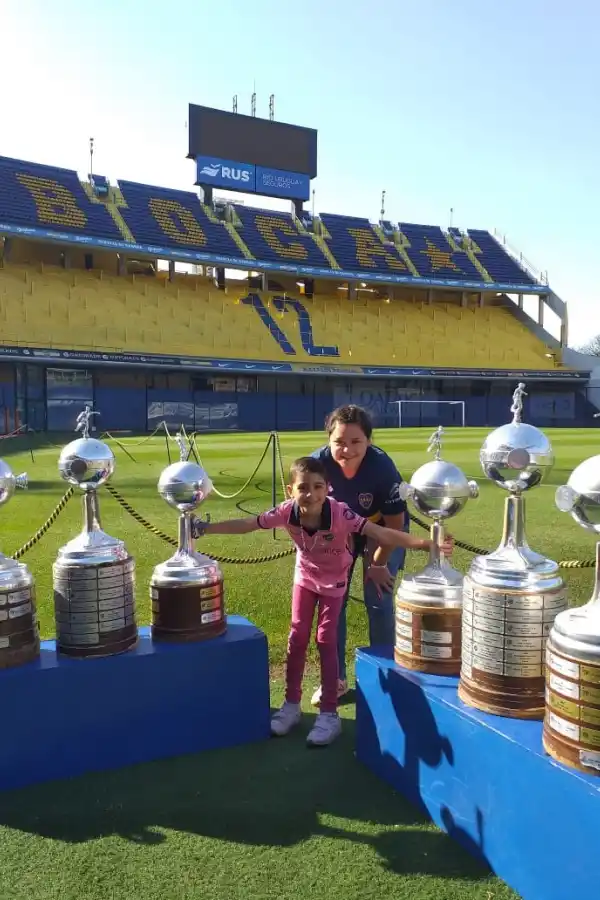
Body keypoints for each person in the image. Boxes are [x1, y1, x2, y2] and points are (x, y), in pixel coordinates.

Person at [191, 456, 452, 747]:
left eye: (318, 487)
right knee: (297, 637)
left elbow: (380, 533)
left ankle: (329, 714)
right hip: (305, 578)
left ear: (328, 488)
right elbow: (248, 524)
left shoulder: (341, 513)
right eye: (303, 487)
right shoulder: (286, 511)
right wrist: (206, 528)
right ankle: (291, 705)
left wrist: (427, 544)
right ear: (290, 490)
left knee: (326, 639)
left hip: (334, 582)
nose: (311, 494)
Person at [310, 404, 410, 707]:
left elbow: (394, 524)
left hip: (382, 529)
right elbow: (304, 514)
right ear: (328, 440)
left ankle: (386, 676)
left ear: (368, 440)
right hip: (339, 531)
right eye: (339, 441)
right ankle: (334, 680)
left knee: (378, 598)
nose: (347, 449)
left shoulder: (382, 467)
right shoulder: (316, 465)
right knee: (332, 602)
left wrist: (378, 563)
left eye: (356, 441)